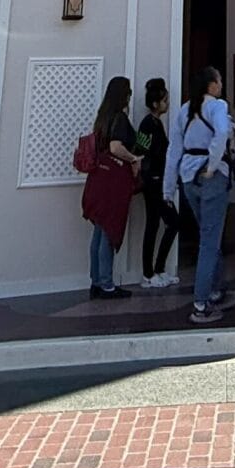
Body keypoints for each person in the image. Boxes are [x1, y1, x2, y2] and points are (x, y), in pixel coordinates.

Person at [167, 63, 235, 323]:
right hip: (210, 177)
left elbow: (174, 150)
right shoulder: (217, 107)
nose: (221, 85)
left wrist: (167, 188)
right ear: (212, 84)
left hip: (187, 177)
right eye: (219, 80)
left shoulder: (185, 110)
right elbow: (220, 134)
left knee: (208, 234)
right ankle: (201, 303)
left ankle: (217, 289)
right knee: (209, 240)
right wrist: (214, 165)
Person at [82, 74, 141, 299]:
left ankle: (96, 280)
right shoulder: (120, 119)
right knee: (108, 230)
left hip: (98, 180)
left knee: (99, 232)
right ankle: (107, 283)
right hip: (113, 183)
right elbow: (117, 147)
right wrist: (134, 158)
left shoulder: (102, 118)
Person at [135, 77, 182, 289]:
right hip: (153, 181)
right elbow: (140, 150)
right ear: (156, 103)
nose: (167, 104)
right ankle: (150, 271)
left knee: (160, 224)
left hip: (158, 179)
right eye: (164, 100)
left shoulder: (155, 123)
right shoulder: (148, 124)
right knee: (161, 223)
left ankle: (157, 269)